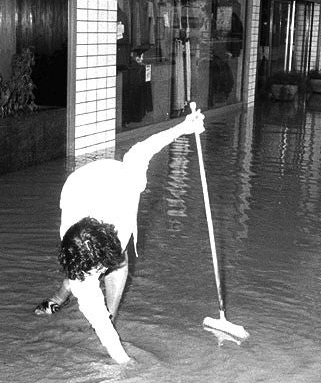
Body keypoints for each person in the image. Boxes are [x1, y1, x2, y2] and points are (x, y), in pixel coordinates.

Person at [34, 110, 206, 363]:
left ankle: (111, 314)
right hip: (78, 187)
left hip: (113, 186)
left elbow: (144, 148)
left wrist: (184, 127)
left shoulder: (129, 180)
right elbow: (95, 311)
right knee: (81, 273)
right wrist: (124, 362)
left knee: (120, 262)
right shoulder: (72, 228)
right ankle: (61, 294)